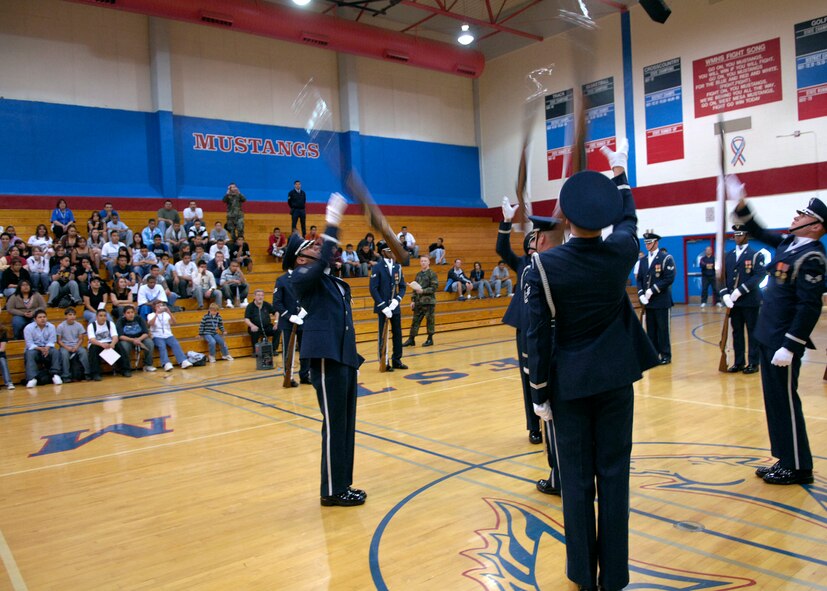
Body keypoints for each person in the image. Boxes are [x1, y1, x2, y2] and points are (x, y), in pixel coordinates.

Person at [524, 142, 658, 591]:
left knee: (578, 482)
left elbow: (537, 335)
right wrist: (619, 175)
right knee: (615, 476)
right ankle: (615, 576)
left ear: (564, 217)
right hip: (617, 379)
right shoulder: (620, 252)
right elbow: (629, 221)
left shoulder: (543, 265)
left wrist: (539, 390)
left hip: (570, 386)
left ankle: (583, 572)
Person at [730, 176, 825, 485]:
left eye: (803, 215)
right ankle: (785, 458)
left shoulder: (812, 257)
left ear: (815, 226)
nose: (796, 216)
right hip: (768, 336)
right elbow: (756, 230)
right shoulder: (789, 244)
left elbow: (808, 307)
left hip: (783, 341)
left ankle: (799, 466)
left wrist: (791, 345)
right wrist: (741, 203)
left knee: (786, 401)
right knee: (774, 402)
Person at [290, 193, 366, 507]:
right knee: (334, 424)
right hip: (325, 357)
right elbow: (324, 258)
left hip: (344, 357)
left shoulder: (331, 281)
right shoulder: (301, 276)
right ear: (300, 257)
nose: (317, 247)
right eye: (311, 246)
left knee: (346, 424)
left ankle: (342, 484)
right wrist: (331, 223)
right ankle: (332, 491)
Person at [719, 224, 766, 374]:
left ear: (746, 235)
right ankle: (739, 362)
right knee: (736, 332)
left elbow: (759, 276)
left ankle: (753, 362)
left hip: (750, 300)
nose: (737, 238)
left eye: (740, 235)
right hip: (734, 302)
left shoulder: (755, 255)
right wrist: (725, 294)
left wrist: (740, 290)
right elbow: (723, 277)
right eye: (735, 235)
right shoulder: (729, 255)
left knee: (752, 332)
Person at [273, 235, 311, 386]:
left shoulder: (306, 278)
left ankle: (305, 374)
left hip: (304, 319)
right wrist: (290, 316)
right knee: (289, 351)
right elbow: (277, 303)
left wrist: (305, 311)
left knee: (305, 350)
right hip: (289, 322)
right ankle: (288, 376)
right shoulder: (282, 280)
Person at [636, 231, 676, 365]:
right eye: (646, 243)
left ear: (656, 243)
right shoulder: (642, 261)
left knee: (663, 330)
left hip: (661, 300)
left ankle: (665, 355)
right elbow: (640, 279)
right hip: (649, 302)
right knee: (651, 330)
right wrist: (641, 293)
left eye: (650, 242)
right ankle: (653, 354)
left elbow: (669, 278)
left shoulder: (665, 258)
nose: (647, 245)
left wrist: (652, 290)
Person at [370, 240, 408, 371]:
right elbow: (373, 289)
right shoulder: (377, 267)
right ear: (383, 252)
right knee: (383, 335)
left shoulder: (398, 267)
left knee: (397, 333)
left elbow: (402, 287)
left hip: (394, 307)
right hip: (383, 308)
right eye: (390, 251)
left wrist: (397, 300)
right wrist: (383, 306)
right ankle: (384, 362)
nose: (393, 254)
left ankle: (397, 359)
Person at [403, 255, 438, 347]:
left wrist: (423, 291)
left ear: (428, 262)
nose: (423, 263)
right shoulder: (418, 274)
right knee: (415, 321)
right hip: (418, 302)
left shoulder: (432, 274)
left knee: (430, 321)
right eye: (422, 261)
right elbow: (415, 288)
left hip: (429, 302)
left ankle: (430, 339)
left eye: (425, 261)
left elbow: (434, 288)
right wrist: (413, 300)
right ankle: (411, 339)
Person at [147, 300, 192, 371]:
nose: (160, 307)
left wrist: (168, 311)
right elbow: (151, 324)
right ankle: (166, 363)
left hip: (168, 335)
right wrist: (156, 314)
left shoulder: (166, 314)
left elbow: (174, 322)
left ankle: (183, 361)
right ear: (154, 307)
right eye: (158, 306)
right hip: (157, 335)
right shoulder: (151, 315)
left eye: (161, 305)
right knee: (162, 346)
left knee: (176, 344)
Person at [24, 310, 62, 387]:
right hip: (35, 349)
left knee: (55, 352)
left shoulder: (51, 326)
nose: (42, 319)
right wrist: (40, 349)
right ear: (35, 319)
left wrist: (46, 348)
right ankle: (32, 378)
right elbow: (29, 344)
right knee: (29, 353)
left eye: (44, 317)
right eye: (40, 317)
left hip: (47, 348)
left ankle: (55, 374)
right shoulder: (28, 328)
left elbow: (52, 341)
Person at [87, 308, 127, 380]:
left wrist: (112, 344)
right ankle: (95, 374)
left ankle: (125, 369)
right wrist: (102, 345)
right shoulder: (91, 326)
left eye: (104, 316)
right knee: (93, 348)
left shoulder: (110, 324)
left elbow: (115, 336)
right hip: (97, 344)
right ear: (96, 317)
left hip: (109, 343)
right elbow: (92, 340)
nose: (103, 317)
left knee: (119, 345)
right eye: (101, 316)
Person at [116, 305, 157, 372]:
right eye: (128, 313)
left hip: (140, 339)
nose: (130, 314)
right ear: (124, 314)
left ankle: (148, 365)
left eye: (132, 312)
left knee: (149, 343)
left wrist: (139, 339)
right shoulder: (120, 321)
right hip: (127, 340)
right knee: (124, 346)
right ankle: (126, 366)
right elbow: (120, 336)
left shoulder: (139, 319)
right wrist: (133, 340)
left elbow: (146, 333)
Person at [56, 307, 90, 382]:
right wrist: (67, 348)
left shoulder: (79, 325)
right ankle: (66, 376)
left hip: (76, 345)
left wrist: (76, 347)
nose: (72, 316)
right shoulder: (60, 326)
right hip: (65, 346)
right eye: (70, 315)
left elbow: (81, 339)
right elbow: (59, 341)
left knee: (84, 352)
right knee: (64, 354)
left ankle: (87, 373)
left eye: (74, 315)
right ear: (66, 316)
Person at [0, 322, 14, 389]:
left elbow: (2, 349)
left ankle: (9, 383)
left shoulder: (2, 331)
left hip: (0, 353)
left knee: (2, 360)